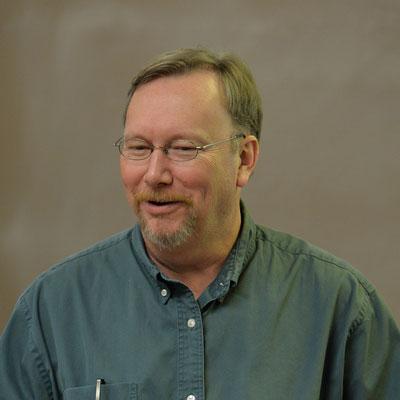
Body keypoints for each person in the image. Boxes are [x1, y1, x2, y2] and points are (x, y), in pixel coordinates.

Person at [0, 47, 399, 400]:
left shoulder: (339, 309)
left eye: (182, 148)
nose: (154, 174)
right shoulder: (52, 311)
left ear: (244, 159)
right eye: (138, 148)